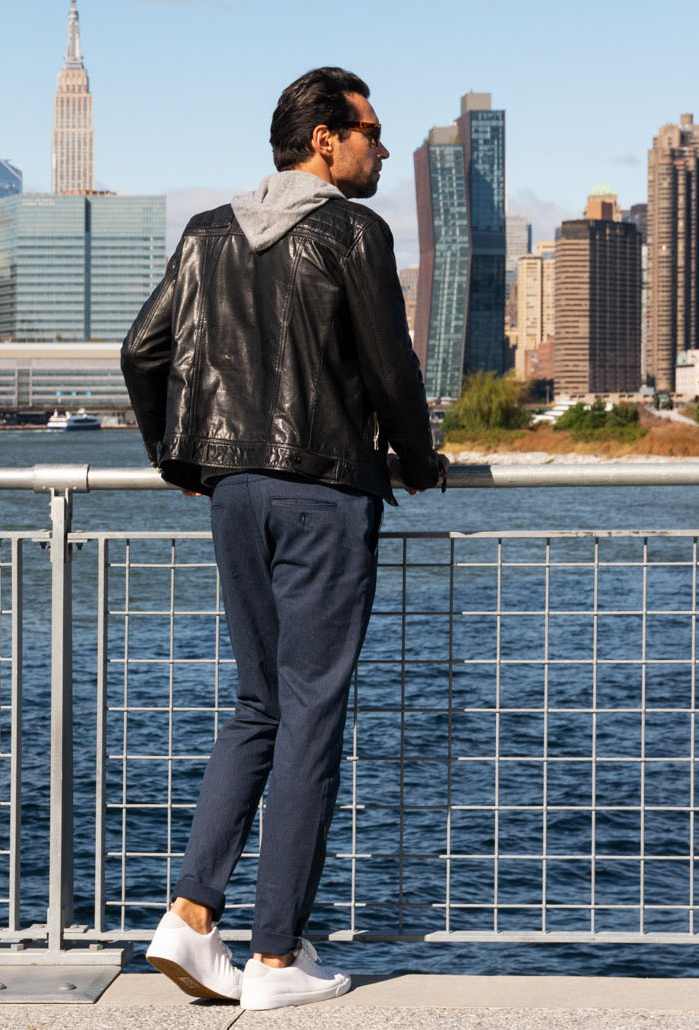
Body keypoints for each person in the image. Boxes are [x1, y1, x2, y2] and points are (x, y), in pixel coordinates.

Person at [120, 65, 447, 1010]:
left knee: (257, 705)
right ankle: (274, 960)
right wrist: (420, 461)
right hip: (325, 493)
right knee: (310, 713)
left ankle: (188, 919)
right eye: (370, 133)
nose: (380, 149)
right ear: (323, 141)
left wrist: (182, 460)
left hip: (234, 496)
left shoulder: (208, 231)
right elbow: (391, 364)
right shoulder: (353, 231)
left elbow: (143, 350)